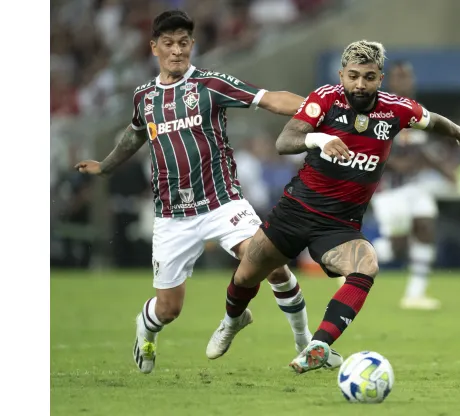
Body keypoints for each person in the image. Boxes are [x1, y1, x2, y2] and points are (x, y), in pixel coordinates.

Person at [74, 10, 341, 374]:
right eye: (168, 43)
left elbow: (268, 99)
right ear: (154, 48)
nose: (177, 50)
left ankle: (306, 342)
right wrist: (104, 166)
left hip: (222, 202)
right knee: (169, 309)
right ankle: (145, 327)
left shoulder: (210, 84)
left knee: (270, 264)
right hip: (172, 216)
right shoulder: (145, 97)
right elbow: (135, 133)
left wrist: (323, 109)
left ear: (192, 45)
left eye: (183, 43)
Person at [206, 40, 460, 374]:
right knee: (246, 275)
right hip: (295, 211)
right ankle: (232, 321)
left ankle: (318, 345)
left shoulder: (396, 109)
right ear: (341, 75)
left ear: (380, 78)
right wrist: (318, 139)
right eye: (353, 76)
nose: (360, 84)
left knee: (367, 265)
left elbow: (431, 120)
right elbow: (284, 142)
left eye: (368, 77)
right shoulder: (325, 99)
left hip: (339, 224)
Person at [367, 60, 457, 310]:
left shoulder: (418, 110)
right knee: (397, 248)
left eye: (409, 76)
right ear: (390, 81)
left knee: (426, 225)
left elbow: (421, 148)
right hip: (389, 188)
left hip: (415, 186)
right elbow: (368, 146)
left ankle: (415, 294)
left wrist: (444, 170)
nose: (406, 81)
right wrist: (394, 163)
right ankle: (356, 260)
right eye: (400, 76)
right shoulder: (379, 109)